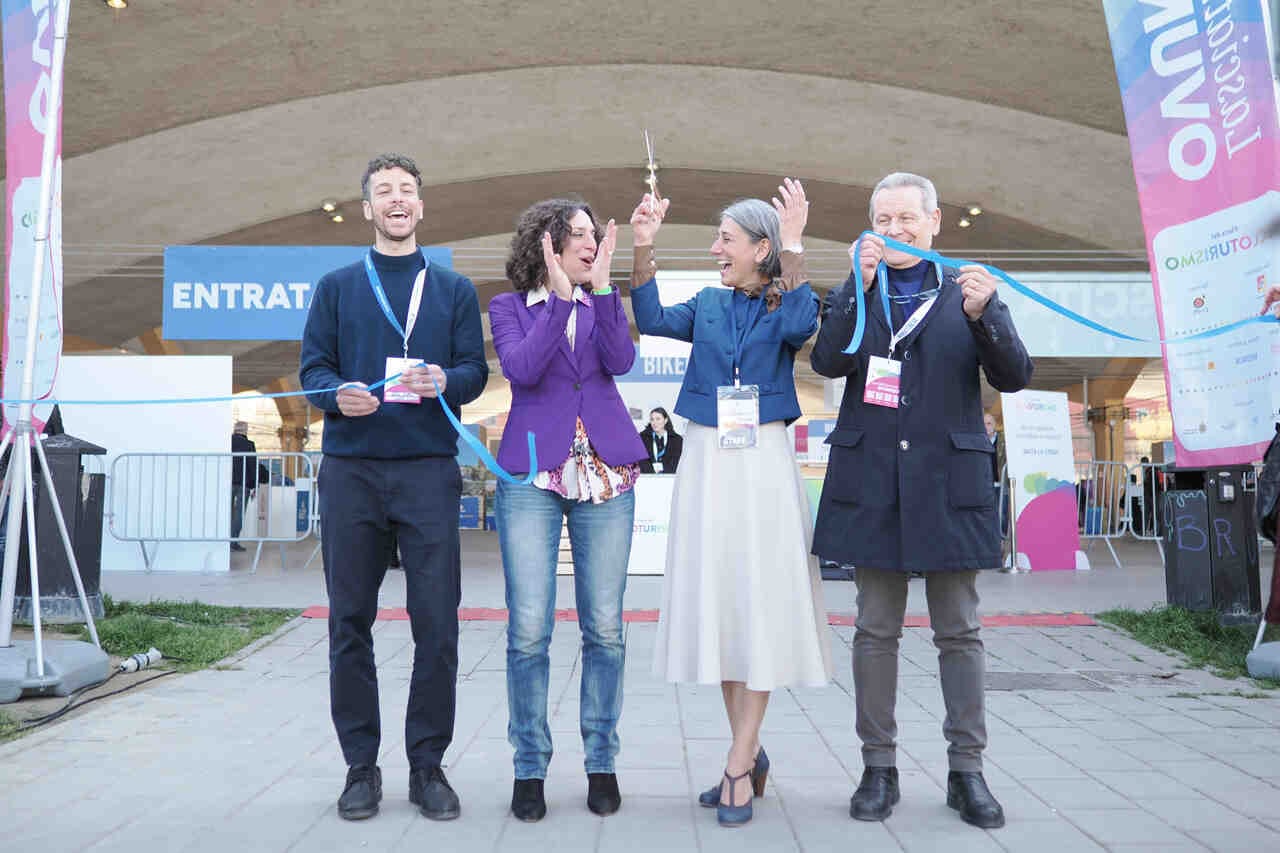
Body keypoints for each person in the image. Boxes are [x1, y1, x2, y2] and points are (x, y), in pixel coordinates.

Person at [810, 172, 1033, 829]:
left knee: (959, 630)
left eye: (908, 216)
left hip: (947, 483)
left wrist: (986, 314)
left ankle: (968, 771)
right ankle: (878, 767)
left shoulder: (968, 290)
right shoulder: (858, 287)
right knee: (874, 629)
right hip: (873, 482)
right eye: (884, 216)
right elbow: (826, 360)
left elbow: (1015, 374)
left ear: (934, 222)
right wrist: (856, 285)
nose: (896, 228)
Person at [634, 181, 832, 828]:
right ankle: (748, 747)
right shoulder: (708, 305)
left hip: (766, 463)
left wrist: (797, 246)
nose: (715, 247)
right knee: (723, 602)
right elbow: (652, 319)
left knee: (763, 601)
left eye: (726, 238)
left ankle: (738, 766)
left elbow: (804, 327)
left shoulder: (787, 302)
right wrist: (643, 249)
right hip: (710, 460)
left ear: (760, 248)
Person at [299, 153, 488, 823]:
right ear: (368, 209)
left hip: (428, 471)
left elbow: (474, 370)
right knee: (349, 621)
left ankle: (428, 764)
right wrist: (334, 394)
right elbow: (312, 368)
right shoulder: (338, 286)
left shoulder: (453, 290)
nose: (397, 199)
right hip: (351, 471)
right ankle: (360, 766)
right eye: (384, 191)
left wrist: (449, 381)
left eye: (407, 189)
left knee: (436, 624)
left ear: (422, 207)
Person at [488, 198, 647, 821]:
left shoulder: (605, 299)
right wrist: (557, 302)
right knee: (528, 630)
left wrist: (603, 292)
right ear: (547, 245)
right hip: (532, 472)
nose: (590, 243)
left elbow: (621, 361)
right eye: (577, 235)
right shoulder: (507, 308)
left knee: (604, 628)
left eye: (593, 235)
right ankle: (529, 769)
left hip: (606, 470)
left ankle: (601, 762)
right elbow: (522, 370)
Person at [230, 421, 259, 552]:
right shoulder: (249, 445)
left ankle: (222, 540)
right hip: (244, 484)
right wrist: (254, 485)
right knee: (239, 513)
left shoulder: (226, 442)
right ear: (245, 430)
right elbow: (253, 466)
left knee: (226, 512)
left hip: (228, 483)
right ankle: (233, 541)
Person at [638, 407, 682, 474]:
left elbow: (676, 461)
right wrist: (652, 472)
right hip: (648, 478)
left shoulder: (677, 440)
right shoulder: (642, 438)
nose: (654, 423)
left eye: (658, 419)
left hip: (669, 478)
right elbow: (642, 461)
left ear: (665, 420)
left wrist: (663, 470)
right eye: (652, 419)